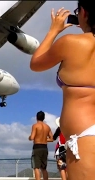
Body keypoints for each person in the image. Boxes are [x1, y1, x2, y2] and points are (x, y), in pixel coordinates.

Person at [29, 1, 95, 179]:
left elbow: (35, 64)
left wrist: (53, 31)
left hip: (85, 135)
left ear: (84, 12)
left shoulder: (71, 42)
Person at [28, 111, 53, 180]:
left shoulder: (35, 126)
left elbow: (32, 137)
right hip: (45, 147)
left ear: (36, 117)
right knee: (44, 168)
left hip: (37, 147)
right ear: (44, 118)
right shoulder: (47, 127)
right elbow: (51, 139)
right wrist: (44, 139)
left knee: (36, 167)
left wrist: (29, 137)